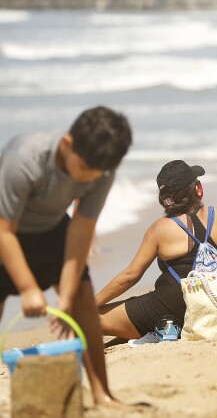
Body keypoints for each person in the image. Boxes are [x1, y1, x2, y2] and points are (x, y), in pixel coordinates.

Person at [0, 106, 131, 407]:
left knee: (83, 299)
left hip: (51, 228)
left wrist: (67, 294)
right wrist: (27, 287)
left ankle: (102, 394)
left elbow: (81, 229)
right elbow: (4, 231)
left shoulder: (102, 170)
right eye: (83, 168)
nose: (87, 178)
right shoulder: (25, 159)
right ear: (68, 143)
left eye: (96, 173)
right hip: (7, 229)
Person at [96, 160, 217, 344]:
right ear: (198, 189)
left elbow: (130, 276)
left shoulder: (160, 229)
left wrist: (91, 305)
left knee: (86, 317)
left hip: (174, 311)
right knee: (120, 337)